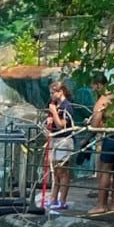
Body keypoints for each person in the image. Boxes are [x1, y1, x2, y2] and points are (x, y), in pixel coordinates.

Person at [87, 74, 114, 213]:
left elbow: (95, 125)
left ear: (99, 85)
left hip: (111, 136)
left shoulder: (103, 100)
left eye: (93, 85)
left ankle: (101, 205)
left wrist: (85, 139)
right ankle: (113, 205)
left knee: (105, 170)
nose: (92, 89)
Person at [45, 81, 75, 210]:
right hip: (54, 139)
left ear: (60, 92)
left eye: (53, 93)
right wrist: (48, 121)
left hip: (64, 140)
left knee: (63, 172)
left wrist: (54, 113)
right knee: (55, 171)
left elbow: (61, 125)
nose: (51, 95)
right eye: (50, 93)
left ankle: (62, 200)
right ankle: (53, 198)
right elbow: (52, 125)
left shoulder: (67, 106)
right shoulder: (55, 105)